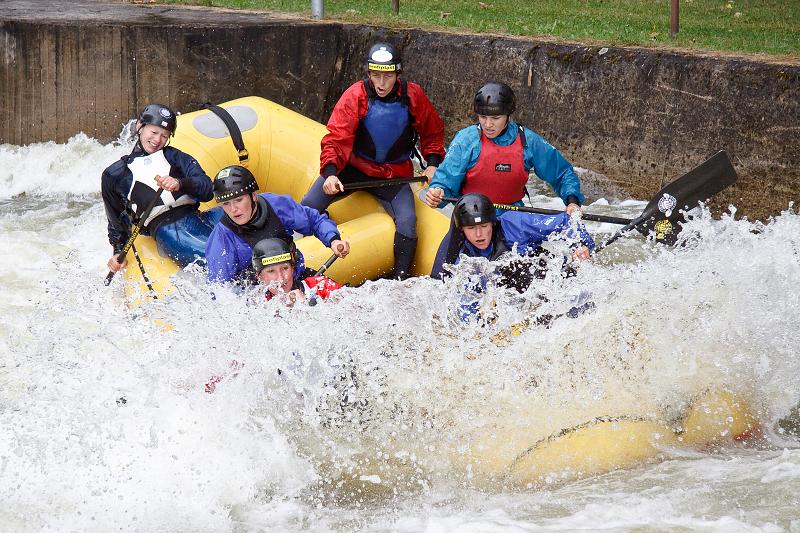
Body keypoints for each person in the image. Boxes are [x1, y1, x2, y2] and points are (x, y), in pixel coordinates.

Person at [301, 42, 446, 279]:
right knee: (307, 207)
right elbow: (336, 138)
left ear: (397, 74)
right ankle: (298, 258)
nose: (381, 83)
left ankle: (400, 280)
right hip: (352, 170)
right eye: (375, 75)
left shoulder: (413, 95)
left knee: (408, 223)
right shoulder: (355, 95)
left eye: (387, 76)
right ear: (368, 74)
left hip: (393, 176)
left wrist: (432, 163)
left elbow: (432, 131)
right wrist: (330, 173)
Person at [423, 81, 584, 214]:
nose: (487, 124)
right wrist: (438, 191)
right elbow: (446, 179)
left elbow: (562, 173)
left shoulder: (527, 141)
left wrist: (572, 202)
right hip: (471, 217)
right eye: (483, 117)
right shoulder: (466, 140)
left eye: (495, 118)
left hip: (513, 216)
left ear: (508, 115)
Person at [102, 103, 218, 272]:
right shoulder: (115, 175)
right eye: (154, 132)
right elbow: (116, 219)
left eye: (164, 136)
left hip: (198, 218)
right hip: (170, 229)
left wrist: (181, 184)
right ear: (140, 127)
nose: (157, 140)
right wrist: (118, 251)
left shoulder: (176, 157)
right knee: (220, 257)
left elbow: (207, 190)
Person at [205, 165, 349, 285]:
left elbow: (314, 220)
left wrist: (333, 239)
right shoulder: (222, 238)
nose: (233, 209)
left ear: (253, 196)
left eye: (238, 200)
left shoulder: (276, 205)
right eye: (226, 204)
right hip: (260, 298)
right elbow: (220, 289)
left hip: (296, 279)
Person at [431, 193, 594, 289]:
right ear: (462, 230)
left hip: (543, 279)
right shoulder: (454, 253)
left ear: (493, 223)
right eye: (472, 229)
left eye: (484, 226)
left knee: (514, 265)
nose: (479, 234)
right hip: (504, 294)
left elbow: (566, 222)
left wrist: (579, 245)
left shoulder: (515, 224)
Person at [251, 238, 342, 305]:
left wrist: (308, 305)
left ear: (293, 268)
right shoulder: (256, 304)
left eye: (285, 268)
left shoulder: (320, 285)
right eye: (271, 271)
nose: (281, 278)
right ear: (259, 276)